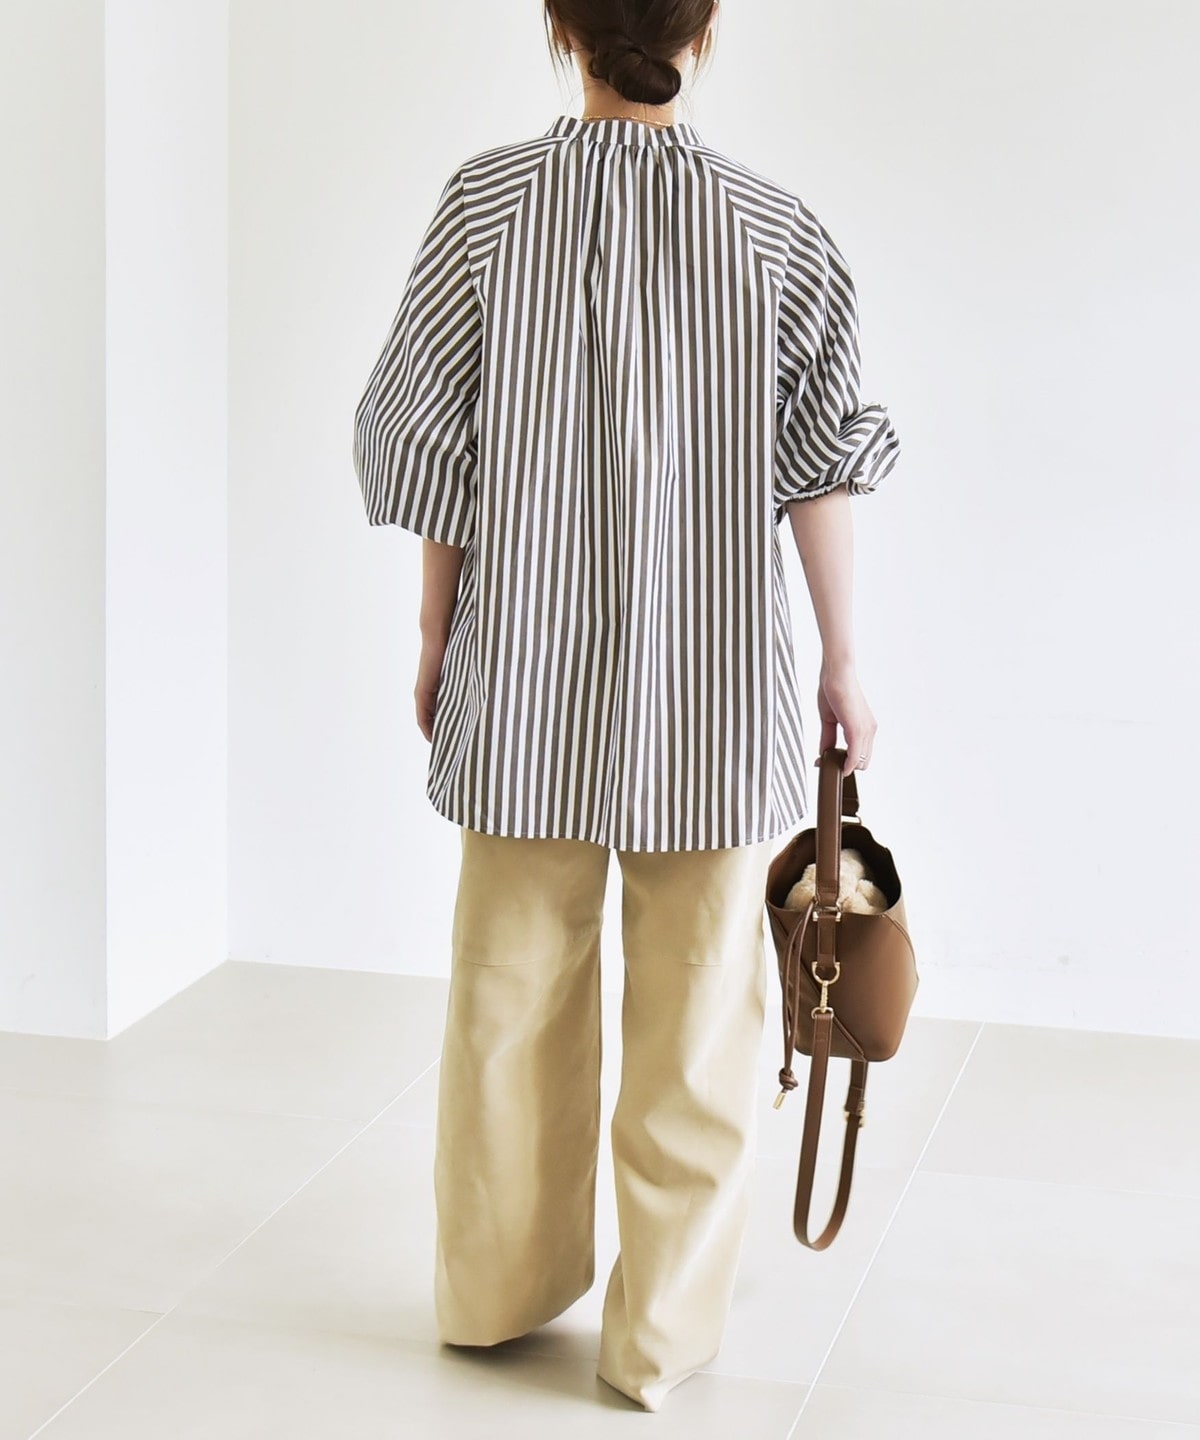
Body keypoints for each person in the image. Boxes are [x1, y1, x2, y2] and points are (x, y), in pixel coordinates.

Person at [351, 0, 900, 1413]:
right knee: (701, 1018)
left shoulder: (486, 207)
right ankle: (655, 1337)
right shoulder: (773, 230)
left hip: (524, 671)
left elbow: (431, 440)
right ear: (700, 34)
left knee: (506, 1001)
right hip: (713, 682)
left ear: (561, 27)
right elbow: (823, 460)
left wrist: (437, 632)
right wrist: (842, 658)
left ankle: (493, 1296)